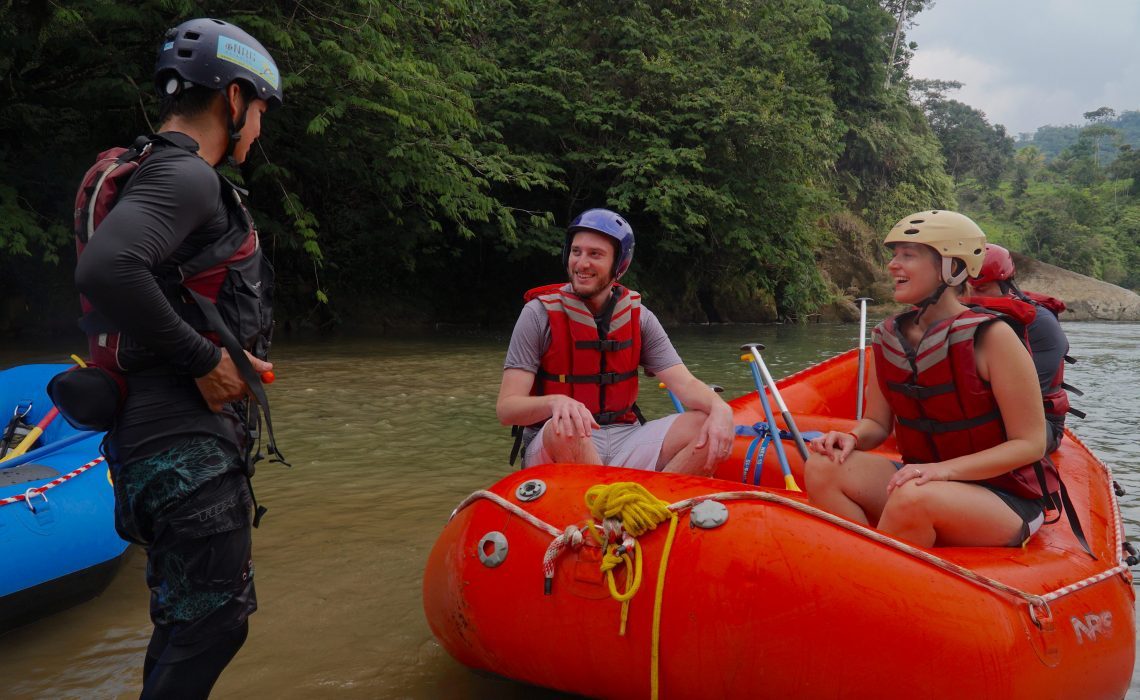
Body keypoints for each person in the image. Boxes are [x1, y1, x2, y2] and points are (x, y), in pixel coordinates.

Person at [74, 18, 283, 699]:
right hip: (181, 442)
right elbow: (109, 270)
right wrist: (203, 359)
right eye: (258, 112)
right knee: (215, 626)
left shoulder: (149, 171)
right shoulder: (187, 177)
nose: (257, 129)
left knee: (183, 623)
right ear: (232, 100)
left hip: (148, 442)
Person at [805, 210, 1057, 548]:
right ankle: (865, 563)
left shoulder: (993, 338)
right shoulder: (889, 337)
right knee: (823, 467)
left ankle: (882, 580)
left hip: (1002, 497)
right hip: (924, 480)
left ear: (952, 268)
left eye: (908, 255)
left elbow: (1030, 444)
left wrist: (944, 471)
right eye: (894, 255)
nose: (893, 265)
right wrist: (851, 438)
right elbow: (876, 423)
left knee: (913, 497)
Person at [497, 208, 734, 475]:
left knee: (705, 422)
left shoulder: (639, 318)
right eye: (576, 252)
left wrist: (720, 408)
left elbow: (686, 383)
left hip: (625, 437)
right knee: (566, 426)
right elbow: (508, 408)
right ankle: (609, 505)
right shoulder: (538, 315)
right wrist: (555, 403)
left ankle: (652, 506)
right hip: (558, 442)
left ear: (619, 265)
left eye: (595, 254)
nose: (581, 263)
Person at [965, 243, 1078, 453]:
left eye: (981, 289)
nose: (972, 297)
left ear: (1006, 285)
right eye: (965, 289)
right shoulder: (959, 316)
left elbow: (1025, 400)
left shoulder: (1040, 323)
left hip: (1038, 423)